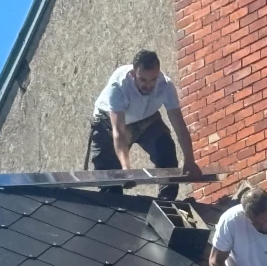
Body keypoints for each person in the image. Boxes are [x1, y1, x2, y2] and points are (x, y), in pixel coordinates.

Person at [86, 50, 201, 200]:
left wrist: (190, 160)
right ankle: (114, 203)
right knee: (109, 175)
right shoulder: (119, 85)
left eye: (153, 79)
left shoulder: (165, 86)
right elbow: (119, 132)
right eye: (143, 80)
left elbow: (179, 124)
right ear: (133, 74)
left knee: (165, 147)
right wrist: (126, 169)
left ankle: (167, 198)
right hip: (108, 123)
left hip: (146, 118)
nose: (148, 85)